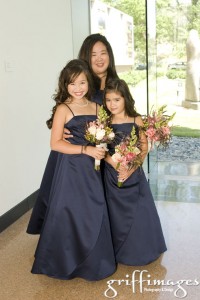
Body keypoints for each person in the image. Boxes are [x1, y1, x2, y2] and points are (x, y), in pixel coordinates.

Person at [27, 59, 116, 280]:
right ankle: (63, 260)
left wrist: (102, 148)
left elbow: (104, 137)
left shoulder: (97, 107)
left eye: (82, 83)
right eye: (72, 84)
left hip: (93, 168)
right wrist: (85, 149)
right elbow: (55, 143)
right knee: (69, 211)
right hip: (71, 168)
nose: (78, 88)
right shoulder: (63, 109)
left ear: (89, 84)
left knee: (93, 209)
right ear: (65, 85)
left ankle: (94, 260)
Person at [27, 33, 118, 234]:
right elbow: (63, 116)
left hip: (103, 150)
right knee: (67, 201)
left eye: (103, 53)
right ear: (86, 57)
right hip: (74, 156)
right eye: (94, 54)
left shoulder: (116, 84)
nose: (99, 58)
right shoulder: (81, 81)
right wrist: (68, 130)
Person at [103, 78, 167, 266]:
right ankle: (116, 249)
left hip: (133, 174)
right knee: (114, 212)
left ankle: (140, 248)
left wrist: (130, 168)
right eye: (108, 100)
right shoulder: (105, 121)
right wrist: (114, 164)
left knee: (138, 211)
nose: (112, 104)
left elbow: (143, 148)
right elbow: (102, 148)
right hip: (112, 174)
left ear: (125, 99)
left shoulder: (136, 119)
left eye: (116, 99)